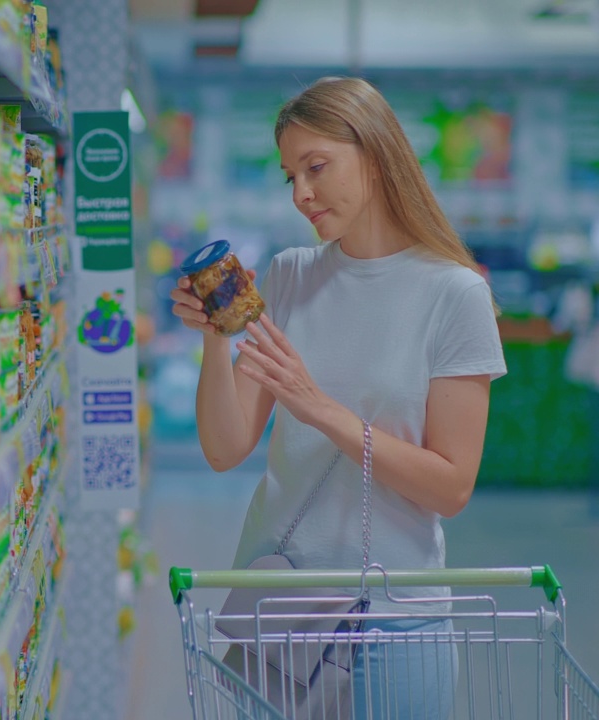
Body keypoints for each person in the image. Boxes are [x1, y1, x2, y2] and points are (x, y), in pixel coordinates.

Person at [171, 76, 506, 719]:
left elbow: (451, 487)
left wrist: (318, 408)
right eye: (289, 175)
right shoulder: (290, 274)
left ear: (375, 156)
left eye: (316, 167)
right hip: (278, 613)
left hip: (393, 622)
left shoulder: (454, 294)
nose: (301, 193)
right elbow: (225, 446)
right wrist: (216, 338)